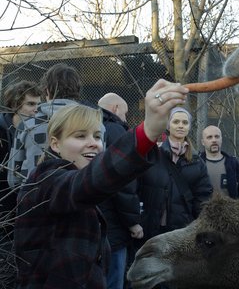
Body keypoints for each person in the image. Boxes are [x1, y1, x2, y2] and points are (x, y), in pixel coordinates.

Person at [14, 79, 189, 288]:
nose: (93, 143)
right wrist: (148, 131)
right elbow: (88, 182)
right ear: (55, 143)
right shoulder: (47, 180)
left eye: (97, 136)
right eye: (80, 135)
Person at [7, 63, 102, 187]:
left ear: (46, 91)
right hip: (79, 194)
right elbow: (100, 168)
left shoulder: (27, 125)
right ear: (77, 91)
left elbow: (13, 176)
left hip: (33, 195)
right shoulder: (95, 123)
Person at [138, 107, 213, 240]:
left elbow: (203, 197)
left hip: (182, 228)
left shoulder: (197, 162)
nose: (180, 126)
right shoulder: (153, 155)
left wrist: (200, 226)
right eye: (176, 122)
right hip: (151, 227)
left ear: (189, 127)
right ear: (168, 125)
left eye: (185, 123)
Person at [97, 92, 143, 289]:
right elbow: (123, 180)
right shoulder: (116, 130)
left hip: (97, 219)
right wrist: (133, 221)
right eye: (125, 114)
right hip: (114, 224)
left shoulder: (93, 127)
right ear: (115, 109)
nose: (125, 119)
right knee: (114, 278)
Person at [0, 80, 41, 288]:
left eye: (38, 105)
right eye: (31, 104)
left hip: (23, 206)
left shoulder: (35, 131)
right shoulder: (1, 130)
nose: (36, 110)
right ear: (16, 104)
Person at [200, 125, 239, 200]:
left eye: (217, 136)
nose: (214, 140)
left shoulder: (233, 164)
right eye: (209, 137)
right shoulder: (197, 164)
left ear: (221, 139)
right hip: (203, 210)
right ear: (203, 142)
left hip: (230, 210)